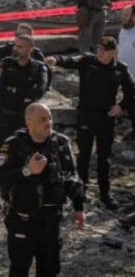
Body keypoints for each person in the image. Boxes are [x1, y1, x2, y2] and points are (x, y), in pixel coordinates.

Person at [0, 103, 86, 277]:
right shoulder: (13, 145)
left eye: (50, 118)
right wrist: (26, 171)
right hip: (22, 219)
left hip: (51, 220)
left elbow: (73, 177)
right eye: (43, 119)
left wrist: (79, 208)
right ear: (29, 123)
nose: (49, 123)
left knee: (49, 269)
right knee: (19, 267)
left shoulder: (60, 143)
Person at [45, 36, 135, 210]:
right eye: (99, 49)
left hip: (106, 118)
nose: (100, 53)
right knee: (83, 156)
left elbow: (131, 92)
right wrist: (55, 60)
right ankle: (80, 192)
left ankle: (105, 194)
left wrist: (121, 106)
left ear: (114, 53)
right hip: (86, 116)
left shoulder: (120, 70)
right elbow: (69, 61)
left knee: (104, 158)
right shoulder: (87, 61)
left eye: (105, 50)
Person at [0, 34, 49, 209]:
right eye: (15, 45)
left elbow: (39, 92)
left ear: (30, 50)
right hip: (6, 119)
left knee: (27, 154)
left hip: (26, 121)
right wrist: (24, 94)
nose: (16, 49)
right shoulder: (6, 64)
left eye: (21, 47)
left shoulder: (38, 68)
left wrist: (14, 91)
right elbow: (0, 91)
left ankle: (23, 192)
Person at [0, 23, 50, 100]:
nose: (19, 37)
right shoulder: (3, 51)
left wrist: (42, 92)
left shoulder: (36, 54)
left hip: (25, 97)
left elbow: (48, 73)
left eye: (23, 36)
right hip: (5, 97)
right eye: (17, 34)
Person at [117, 5, 135, 140]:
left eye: (126, 16)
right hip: (127, 76)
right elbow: (121, 47)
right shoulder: (123, 31)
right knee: (130, 103)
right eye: (123, 15)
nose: (123, 18)